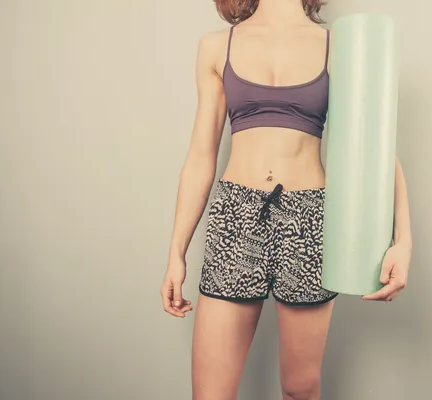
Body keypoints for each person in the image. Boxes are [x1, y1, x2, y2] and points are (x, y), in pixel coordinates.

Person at [159, 0, 413, 399]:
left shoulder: (338, 47)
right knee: (211, 394)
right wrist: (176, 251)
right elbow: (200, 157)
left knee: (300, 388)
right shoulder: (215, 46)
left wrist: (403, 239)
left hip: (310, 219)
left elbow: (377, 146)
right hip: (236, 218)